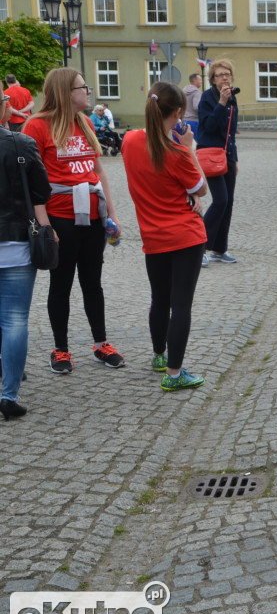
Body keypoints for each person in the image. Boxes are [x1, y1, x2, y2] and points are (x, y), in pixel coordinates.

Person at [22, 68, 125, 374]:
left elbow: (99, 171)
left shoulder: (83, 122)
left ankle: (101, 344)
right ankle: (61, 349)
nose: (89, 92)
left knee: (93, 282)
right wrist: (45, 225)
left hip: (93, 215)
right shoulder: (37, 127)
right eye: (84, 87)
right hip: (60, 217)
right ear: (67, 92)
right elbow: (31, 183)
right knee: (61, 284)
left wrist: (113, 215)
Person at [121, 81, 208, 391]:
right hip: (185, 236)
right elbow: (200, 189)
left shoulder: (129, 141)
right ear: (178, 113)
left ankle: (159, 356)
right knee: (181, 304)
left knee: (159, 298)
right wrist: (189, 150)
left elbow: (157, 180)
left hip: (153, 236)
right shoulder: (176, 152)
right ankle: (174, 374)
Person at [0, 97, 51, 418]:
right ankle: (9, 395)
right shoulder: (21, 144)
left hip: (16, 243)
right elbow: (42, 192)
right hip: (16, 244)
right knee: (15, 320)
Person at [197, 58, 240, 266]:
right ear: (213, 79)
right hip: (211, 154)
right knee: (220, 200)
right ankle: (199, 246)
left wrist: (235, 158)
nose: (225, 77)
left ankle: (219, 249)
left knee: (229, 202)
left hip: (228, 155)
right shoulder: (207, 97)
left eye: (228, 74)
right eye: (220, 75)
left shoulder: (233, 98)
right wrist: (221, 103)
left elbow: (231, 132)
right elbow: (208, 126)